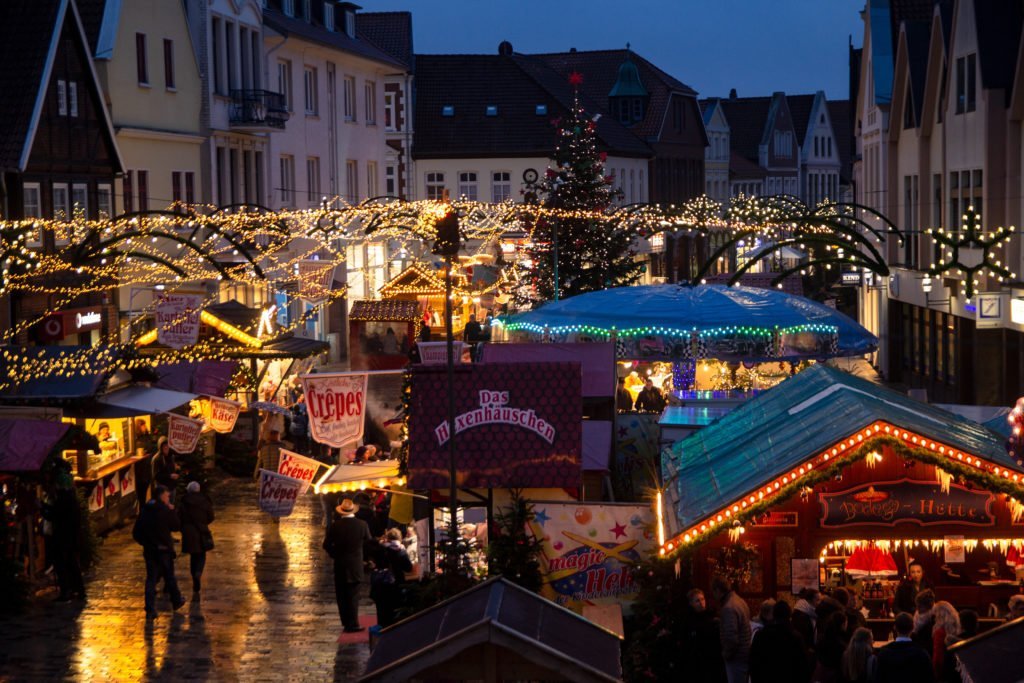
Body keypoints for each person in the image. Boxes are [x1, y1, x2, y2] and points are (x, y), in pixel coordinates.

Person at [323, 498, 373, 632]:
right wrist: (366, 559)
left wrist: (336, 555)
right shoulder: (362, 525)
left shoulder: (335, 526)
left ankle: (346, 622)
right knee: (353, 595)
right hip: (355, 565)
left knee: (341, 595)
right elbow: (369, 543)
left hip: (340, 565)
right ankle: (353, 623)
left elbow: (326, 545)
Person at [135, 485, 185, 618]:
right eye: (167, 496)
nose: (169, 498)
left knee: (151, 578)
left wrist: (145, 543)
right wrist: (172, 510)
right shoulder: (164, 510)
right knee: (169, 576)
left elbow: (136, 532)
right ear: (162, 495)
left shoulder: (145, 510)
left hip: (150, 550)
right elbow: (176, 526)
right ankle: (176, 600)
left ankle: (150, 608)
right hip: (163, 549)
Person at [48, 464, 85, 602]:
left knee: (63, 563)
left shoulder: (63, 499)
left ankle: (67, 591)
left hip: (64, 537)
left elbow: (55, 515)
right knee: (71, 563)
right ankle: (78, 589)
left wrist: (43, 508)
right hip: (71, 536)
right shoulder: (70, 498)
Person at [749, 600, 810, 683]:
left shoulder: (761, 635)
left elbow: (754, 663)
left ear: (774, 615)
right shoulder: (795, 637)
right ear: (789, 615)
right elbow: (803, 666)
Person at [680, 588, 727, 683]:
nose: (701, 603)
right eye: (697, 601)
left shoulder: (712, 617)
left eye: (702, 599)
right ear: (691, 603)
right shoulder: (688, 621)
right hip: (697, 663)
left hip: (713, 662)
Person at [369, 528, 413, 628]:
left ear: (388, 538)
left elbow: (369, 544)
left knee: (382, 610)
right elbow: (408, 568)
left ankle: (382, 629)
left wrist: (381, 541)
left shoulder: (380, 549)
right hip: (396, 584)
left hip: (381, 584)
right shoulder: (401, 551)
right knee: (395, 609)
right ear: (400, 538)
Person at [178, 481, 214, 601]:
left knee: (193, 555)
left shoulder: (184, 501)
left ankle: (194, 575)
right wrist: (203, 523)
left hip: (188, 532)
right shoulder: (205, 500)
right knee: (201, 554)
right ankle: (198, 573)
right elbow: (211, 516)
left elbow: (180, 517)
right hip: (201, 531)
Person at [712, 575, 752, 683]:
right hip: (745, 653)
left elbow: (731, 639)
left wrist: (726, 654)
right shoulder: (739, 601)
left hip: (737, 658)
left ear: (718, 590)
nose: (713, 596)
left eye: (713, 592)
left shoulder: (728, 608)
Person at [875, 612, 934, 683]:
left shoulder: (884, 653)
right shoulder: (922, 654)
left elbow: (878, 678)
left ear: (895, 628)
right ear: (913, 628)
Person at [812, 610, 849, 683]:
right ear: (842, 624)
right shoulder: (841, 643)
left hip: (820, 675)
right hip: (834, 677)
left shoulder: (823, 638)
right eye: (846, 623)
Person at [930, 600, 960, 682]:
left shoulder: (940, 632)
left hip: (944, 673)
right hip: (957, 671)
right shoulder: (958, 628)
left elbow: (937, 658)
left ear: (939, 615)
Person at [792, 588, 820, 653]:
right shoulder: (802, 615)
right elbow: (802, 635)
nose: (819, 603)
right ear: (810, 600)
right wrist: (808, 648)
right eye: (817, 600)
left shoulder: (809, 612)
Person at [152, 437, 179, 502]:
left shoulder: (171, 456)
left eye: (168, 445)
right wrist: (169, 476)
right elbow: (156, 476)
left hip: (172, 488)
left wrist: (176, 469)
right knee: (163, 508)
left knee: (171, 507)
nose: (166, 447)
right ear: (160, 447)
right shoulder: (156, 459)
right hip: (163, 490)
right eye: (164, 446)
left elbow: (171, 470)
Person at [911, 589, 936, 656]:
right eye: (917, 606)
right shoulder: (918, 617)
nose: (918, 609)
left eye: (920, 606)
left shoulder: (933, 622)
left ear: (929, 607)